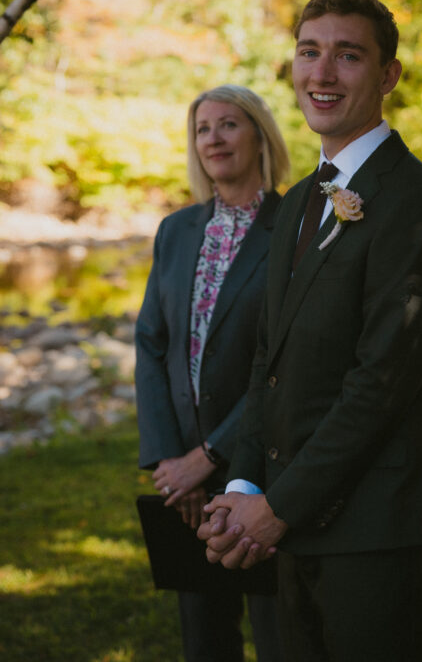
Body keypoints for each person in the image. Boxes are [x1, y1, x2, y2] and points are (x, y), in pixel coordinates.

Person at [198, 0, 422, 662]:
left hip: (377, 530)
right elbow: (271, 360)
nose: (321, 74)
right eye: (308, 52)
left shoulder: (414, 199)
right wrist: (242, 487)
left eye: (347, 56)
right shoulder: (295, 203)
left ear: (388, 76)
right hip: (296, 522)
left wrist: (277, 506)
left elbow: (381, 382)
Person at [135, 84, 289, 662]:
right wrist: (173, 464)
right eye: (203, 128)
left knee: (280, 638)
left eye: (228, 124)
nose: (214, 138)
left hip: (266, 469)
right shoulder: (176, 230)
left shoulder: (293, 226)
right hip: (186, 489)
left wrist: (212, 456)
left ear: (259, 136)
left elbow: (286, 364)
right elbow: (150, 343)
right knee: (204, 641)